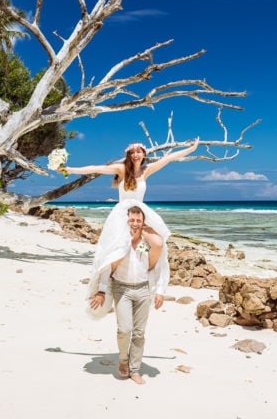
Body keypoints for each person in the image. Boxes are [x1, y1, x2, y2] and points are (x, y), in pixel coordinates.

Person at [61, 138, 199, 382]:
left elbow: (168, 158)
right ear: (128, 154)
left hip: (140, 214)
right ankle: (104, 287)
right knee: (114, 253)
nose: (137, 154)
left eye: (140, 151)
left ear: (144, 154)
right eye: (133, 151)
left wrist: (190, 149)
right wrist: (69, 169)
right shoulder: (121, 169)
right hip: (122, 216)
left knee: (158, 244)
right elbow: (94, 168)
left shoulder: (147, 169)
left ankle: (153, 282)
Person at [87, 206, 162, 384]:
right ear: (126, 222)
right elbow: (107, 266)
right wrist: (101, 291)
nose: (135, 223)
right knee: (125, 329)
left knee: (139, 333)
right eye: (131, 220)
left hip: (143, 290)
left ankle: (135, 369)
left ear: (143, 223)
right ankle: (123, 359)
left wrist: (159, 291)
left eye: (138, 220)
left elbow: (155, 266)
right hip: (122, 289)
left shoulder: (145, 242)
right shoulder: (119, 242)